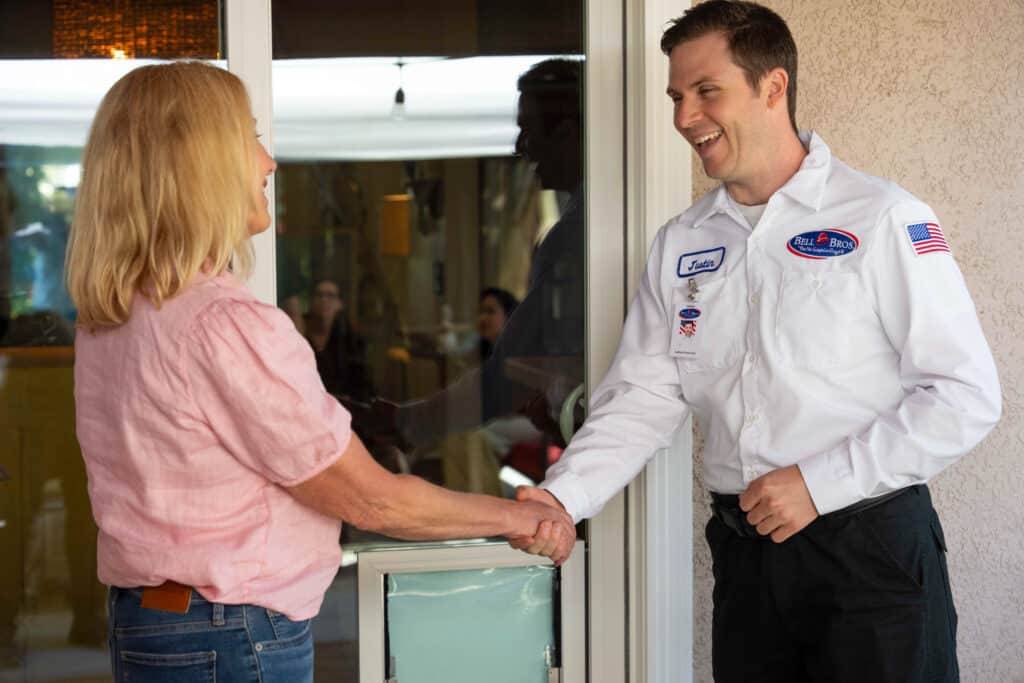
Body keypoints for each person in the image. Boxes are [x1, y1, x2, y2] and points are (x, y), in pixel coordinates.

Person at [513, 2, 1002, 682]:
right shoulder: (683, 243)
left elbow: (965, 394)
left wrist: (818, 483)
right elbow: (645, 397)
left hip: (870, 557)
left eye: (706, 91)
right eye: (678, 97)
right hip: (747, 559)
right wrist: (563, 496)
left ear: (772, 87)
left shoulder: (885, 218)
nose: (685, 117)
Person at [64, 61, 574, 683]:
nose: (268, 160)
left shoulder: (116, 314)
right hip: (228, 631)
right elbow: (370, 499)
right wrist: (523, 517)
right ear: (200, 162)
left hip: (157, 619)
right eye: (249, 136)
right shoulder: (221, 324)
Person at [378, 58, 584, 451]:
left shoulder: (577, 235)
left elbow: (506, 377)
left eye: (528, 130)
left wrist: (408, 421)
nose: (520, 147)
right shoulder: (584, 221)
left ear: (567, 132)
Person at [304, 278, 373, 402]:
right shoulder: (299, 337)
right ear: (311, 301)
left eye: (330, 296)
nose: (324, 300)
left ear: (340, 304)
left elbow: (361, 385)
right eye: (319, 295)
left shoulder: (351, 341)